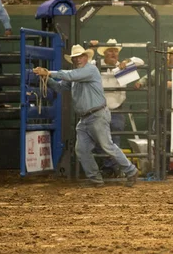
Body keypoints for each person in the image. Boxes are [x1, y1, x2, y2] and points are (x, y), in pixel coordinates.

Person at [33, 45, 139, 187]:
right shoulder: (78, 73)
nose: (77, 59)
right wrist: (46, 78)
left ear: (86, 57)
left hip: (97, 115)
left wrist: (48, 73)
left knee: (107, 146)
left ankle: (130, 170)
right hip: (86, 118)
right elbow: (60, 87)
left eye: (80, 56)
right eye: (75, 58)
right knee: (82, 150)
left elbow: (70, 76)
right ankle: (96, 179)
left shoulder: (90, 70)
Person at [135, 47, 173, 180]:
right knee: (163, 141)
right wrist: (140, 83)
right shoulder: (161, 71)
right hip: (165, 111)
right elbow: (147, 78)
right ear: (169, 57)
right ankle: (162, 170)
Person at [90, 38, 144, 177]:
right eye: (110, 51)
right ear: (104, 53)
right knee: (101, 140)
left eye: (115, 51)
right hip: (100, 109)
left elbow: (140, 61)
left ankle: (112, 168)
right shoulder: (96, 65)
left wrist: (127, 61)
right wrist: (93, 49)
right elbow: (87, 64)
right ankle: (109, 167)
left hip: (116, 108)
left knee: (115, 139)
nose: (113, 54)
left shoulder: (122, 66)